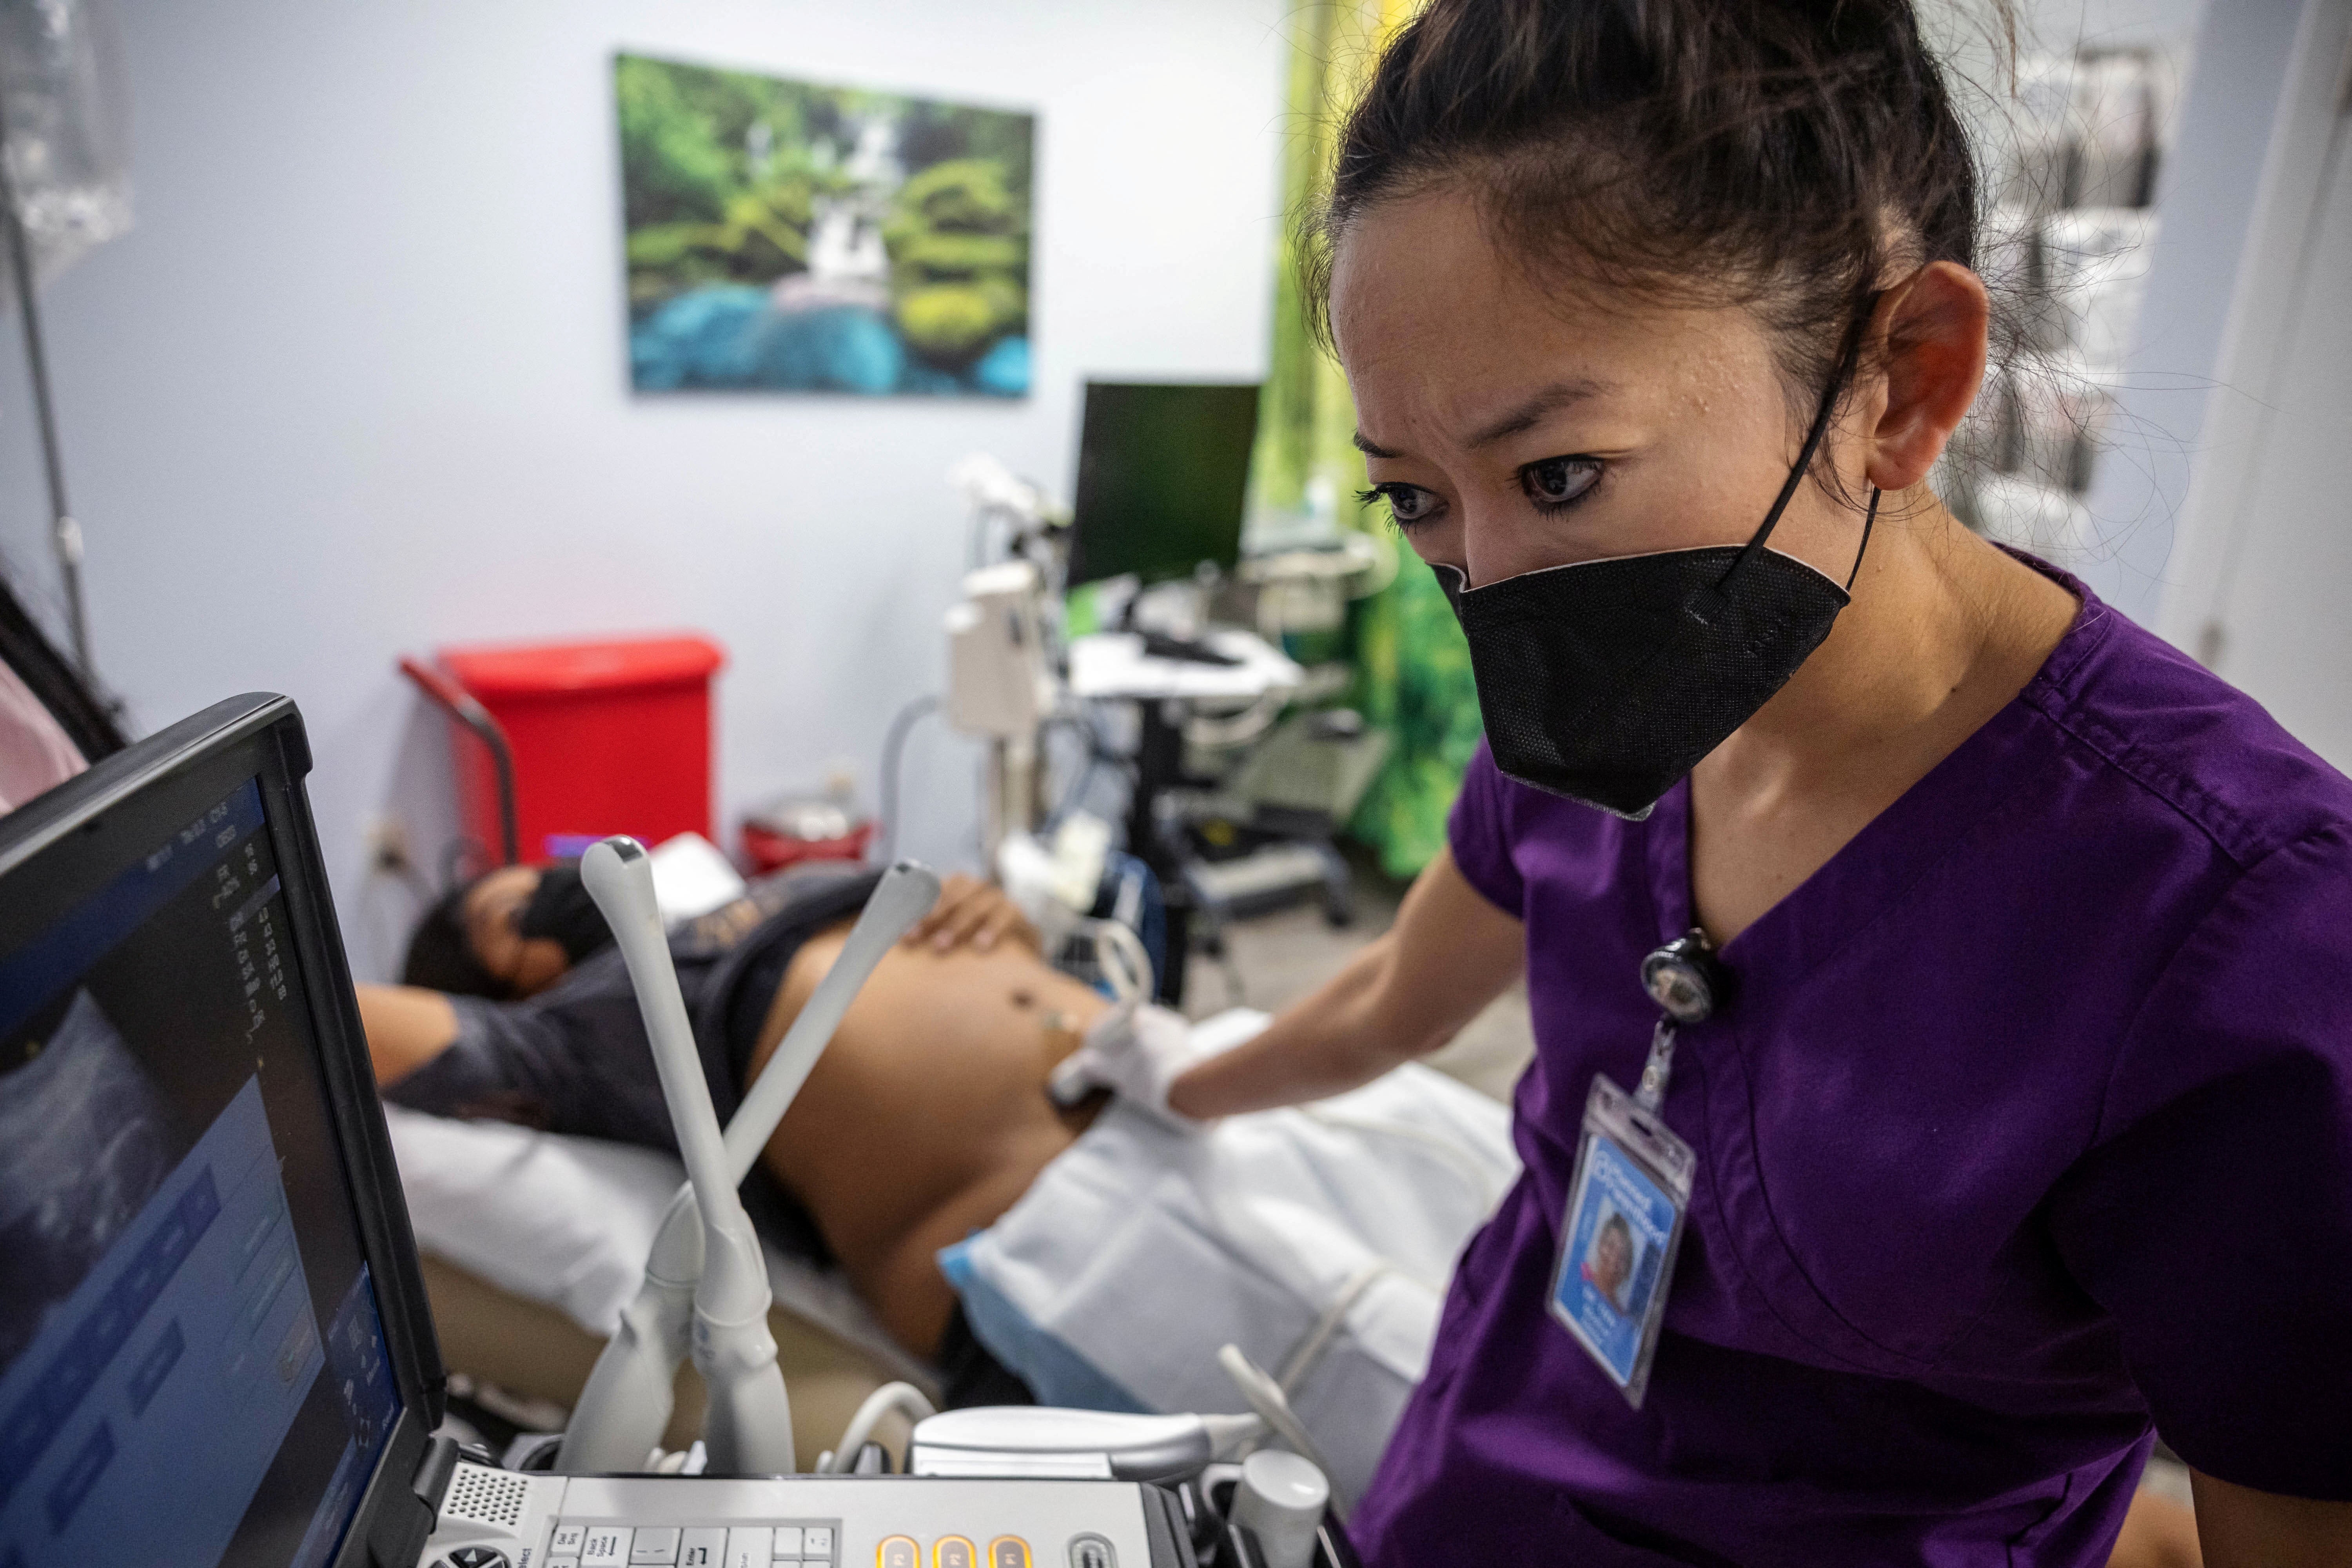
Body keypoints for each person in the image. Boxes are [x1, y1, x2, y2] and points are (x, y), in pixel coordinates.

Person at [1098, 2, 2352, 1563]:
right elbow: (1392, 1005)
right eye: (1417, 499)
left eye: (1559, 475)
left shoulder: (2237, 925)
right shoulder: (1597, 711)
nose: (1488, 581)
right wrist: (1147, 1074)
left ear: (1901, 380)